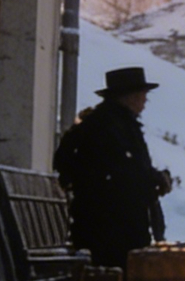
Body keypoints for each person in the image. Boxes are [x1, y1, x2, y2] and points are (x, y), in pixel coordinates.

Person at [53, 67, 173, 269]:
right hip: (110, 227)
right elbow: (125, 171)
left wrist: (154, 179)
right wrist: (154, 179)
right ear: (129, 97)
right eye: (142, 96)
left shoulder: (111, 123)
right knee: (122, 273)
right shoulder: (110, 127)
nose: (144, 101)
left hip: (107, 222)